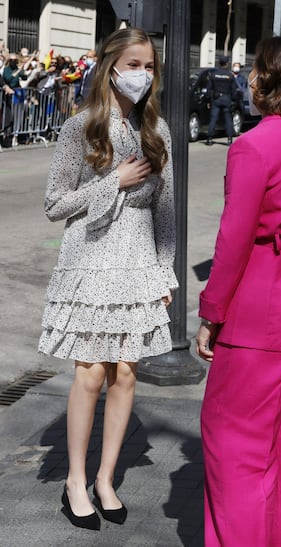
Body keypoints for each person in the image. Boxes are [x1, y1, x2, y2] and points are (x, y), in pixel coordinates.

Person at [196, 33, 281, 547]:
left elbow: (233, 239)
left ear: (272, 79)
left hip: (262, 304)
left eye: (256, 68)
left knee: (234, 446)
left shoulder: (253, 145)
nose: (250, 77)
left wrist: (211, 312)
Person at [38, 27, 178, 531]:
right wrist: (111, 184)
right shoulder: (80, 128)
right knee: (91, 372)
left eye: (149, 66)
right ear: (110, 66)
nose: (142, 74)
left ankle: (105, 478)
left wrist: (165, 271)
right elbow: (55, 205)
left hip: (138, 260)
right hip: (91, 257)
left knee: (126, 373)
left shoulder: (157, 133)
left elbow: (165, 212)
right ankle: (74, 479)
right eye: (134, 64)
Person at [205, 55, 237, 146]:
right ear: (227, 64)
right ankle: (229, 139)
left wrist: (208, 100)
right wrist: (234, 100)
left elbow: (209, 89)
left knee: (213, 118)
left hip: (216, 99)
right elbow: (233, 90)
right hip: (227, 99)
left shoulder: (213, 75)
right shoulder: (230, 76)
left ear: (219, 63)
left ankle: (209, 138)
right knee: (228, 119)